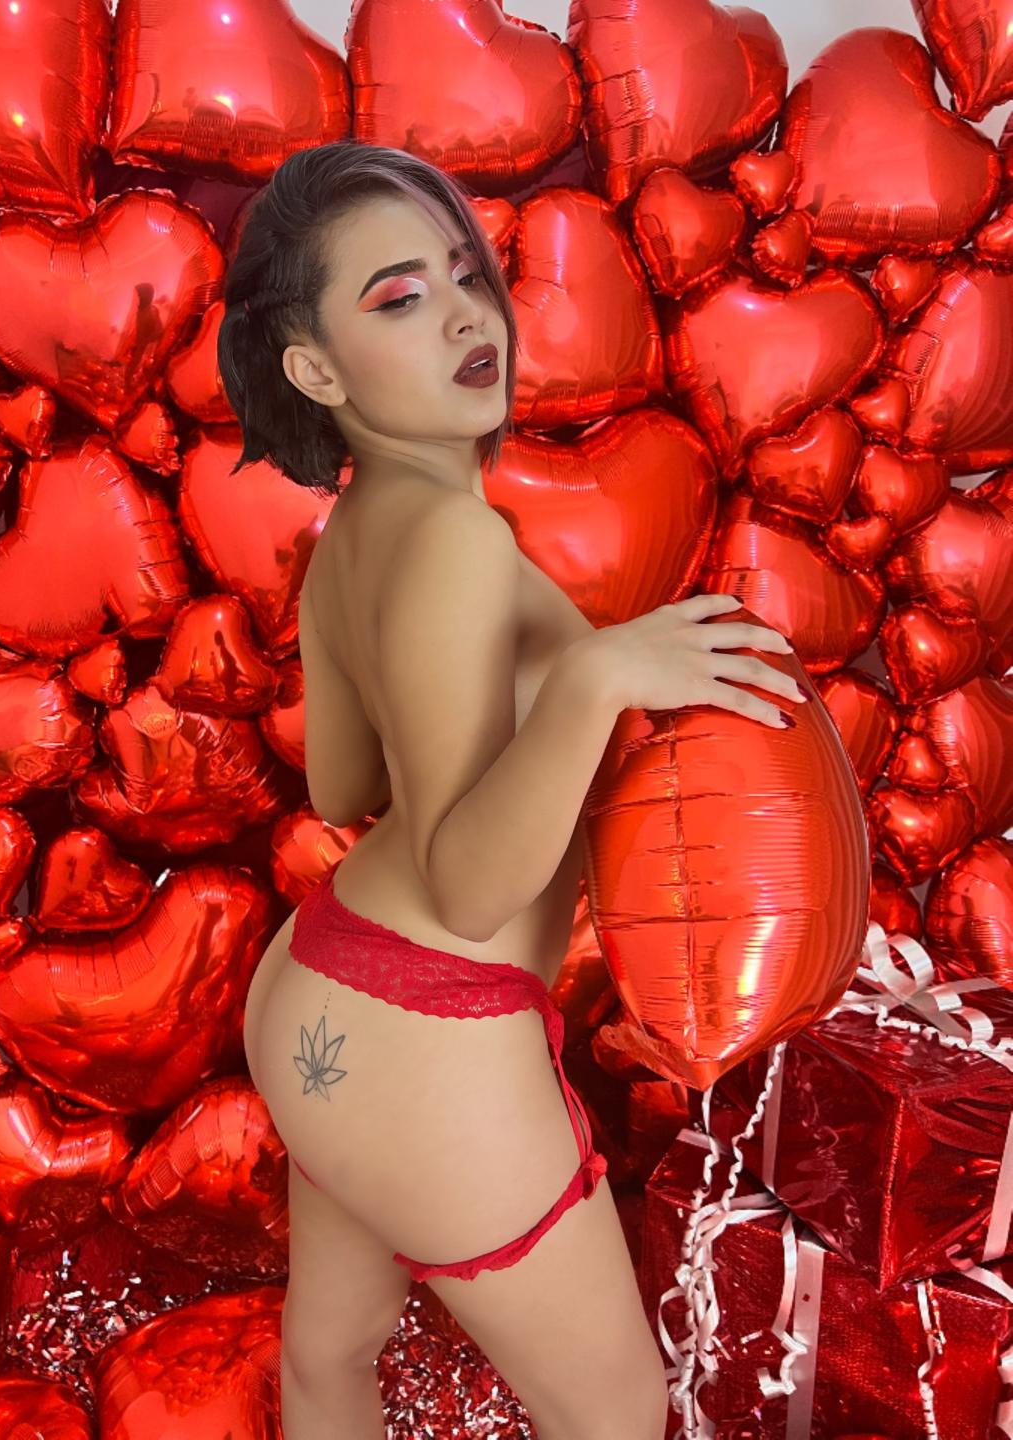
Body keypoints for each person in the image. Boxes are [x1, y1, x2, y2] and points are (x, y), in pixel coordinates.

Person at [220, 140, 806, 1440]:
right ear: (315, 371)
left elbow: (342, 781)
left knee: (331, 1361)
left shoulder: (355, 531)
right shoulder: (456, 539)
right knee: (616, 1414)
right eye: (398, 297)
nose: (463, 314)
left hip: (325, 993)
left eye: (465, 274)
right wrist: (591, 681)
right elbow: (470, 888)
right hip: (423, 1028)